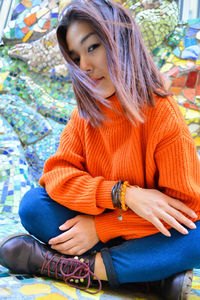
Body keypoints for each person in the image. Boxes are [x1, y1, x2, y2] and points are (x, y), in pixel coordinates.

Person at [0, 0, 200, 299]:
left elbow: (187, 209)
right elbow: (56, 175)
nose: (85, 66)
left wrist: (102, 227)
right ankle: (146, 278)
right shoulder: (83, 115)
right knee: (34, 206)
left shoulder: (162, 113)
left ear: (122, 42)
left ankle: (67, 267)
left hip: (143, 231)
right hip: (101, 226)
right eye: (76, 56)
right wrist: (122, 194)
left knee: (196, 238)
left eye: (92, 47)